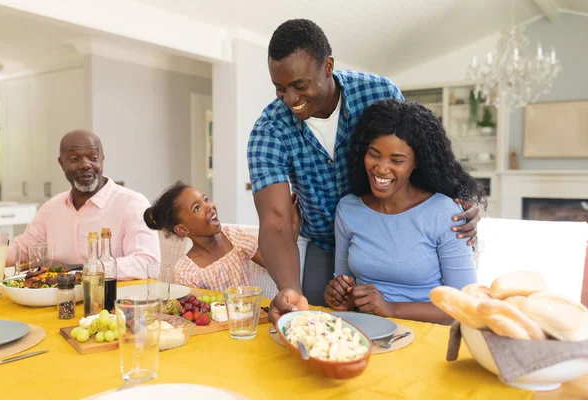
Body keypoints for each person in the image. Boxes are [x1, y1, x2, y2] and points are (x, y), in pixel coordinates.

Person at [246, 19, 481, 322]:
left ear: (327, 66)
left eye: (300, 86)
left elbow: (411, 148)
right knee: (324, 318)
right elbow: (276, 220)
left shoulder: (378, 92)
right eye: (280, 89)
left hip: (397, 237)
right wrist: (289, 289)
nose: (290, 99)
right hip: (324, 239)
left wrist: (457, 199)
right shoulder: (269, 130)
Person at [323, 100, 484, 324]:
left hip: (425, 335)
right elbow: (343, 288)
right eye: (374, 154)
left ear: (417, 162)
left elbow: (464, 306)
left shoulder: (444, 213)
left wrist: (391, 308)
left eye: (397, 160)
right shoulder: (348, 209)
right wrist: (339, 295)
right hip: (362, 333)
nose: (381, 168)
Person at [6, 129, 160, 280]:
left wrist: (83, 270)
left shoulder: (132, 203)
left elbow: (147, 263)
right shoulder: (50, 209)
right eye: (74, 159)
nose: (86, 165)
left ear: (102, 160)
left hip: (112, 299)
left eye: (93, 158)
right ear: (61, 163)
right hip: (57, 297)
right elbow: (23, 250)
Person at [144, 182, 300, 291]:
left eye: (206, 199)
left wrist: (292, 227)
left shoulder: (234, 236)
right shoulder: (186, 271)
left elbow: (277, 264)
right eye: (197, 208)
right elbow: (201, 312)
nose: (209, 207)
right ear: (182, 230)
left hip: (250, 323)